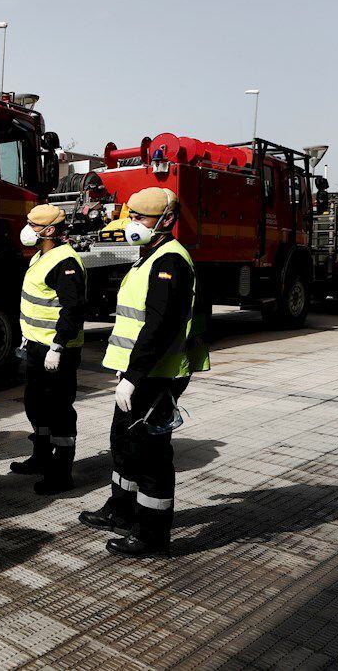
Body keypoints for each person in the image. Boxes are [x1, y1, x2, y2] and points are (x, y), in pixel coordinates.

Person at [79, 187, 210, 558]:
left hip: (156, 374)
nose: (132, 223)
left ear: (166, 220)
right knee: (123, 442)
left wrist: (135, 376)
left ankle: (152, 535)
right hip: (138, 372)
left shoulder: (170, 261)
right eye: (130, 216)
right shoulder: (148, 256)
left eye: (140, 218)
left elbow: (159, 328)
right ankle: (122, 511)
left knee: (151, 455)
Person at [10, 204, 87, 495]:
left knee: (59, 410)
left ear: (49, 231)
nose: (27, 229)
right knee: (36, 403)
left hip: (57, 350)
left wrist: (58, 345)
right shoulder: (42, 256)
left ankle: (62, 470)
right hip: (36, 346)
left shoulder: (65, 262)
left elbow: (73, 308)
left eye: (32, 225)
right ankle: (41, 456)